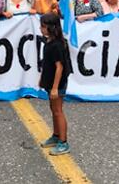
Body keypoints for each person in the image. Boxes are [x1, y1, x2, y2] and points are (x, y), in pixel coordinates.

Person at [38, 13, 72, 156]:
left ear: (52, 28)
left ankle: (64, 142)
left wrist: (55, 88)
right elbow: (47, 64)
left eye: (43, 26)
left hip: (57, 83)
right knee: (53, 109)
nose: (41, 29)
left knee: (58, 111)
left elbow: (60, 67)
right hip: (50, 81)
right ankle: (56, 135)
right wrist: (42, 79)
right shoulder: (49, 41)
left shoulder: (57, 45)